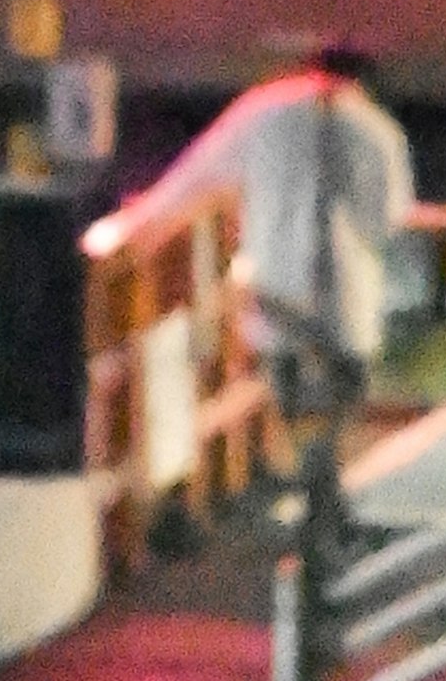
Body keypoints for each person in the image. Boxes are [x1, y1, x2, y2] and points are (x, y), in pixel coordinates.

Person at [143, 37, 418, 431]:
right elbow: (389, 218)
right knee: (340, 397)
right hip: (346, 300)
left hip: (275, 294)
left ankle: (295, 448)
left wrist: (142, 218)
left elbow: (199, 174)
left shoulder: (263, 113)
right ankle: (322, 463)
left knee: (284, 396)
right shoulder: (378, 131)